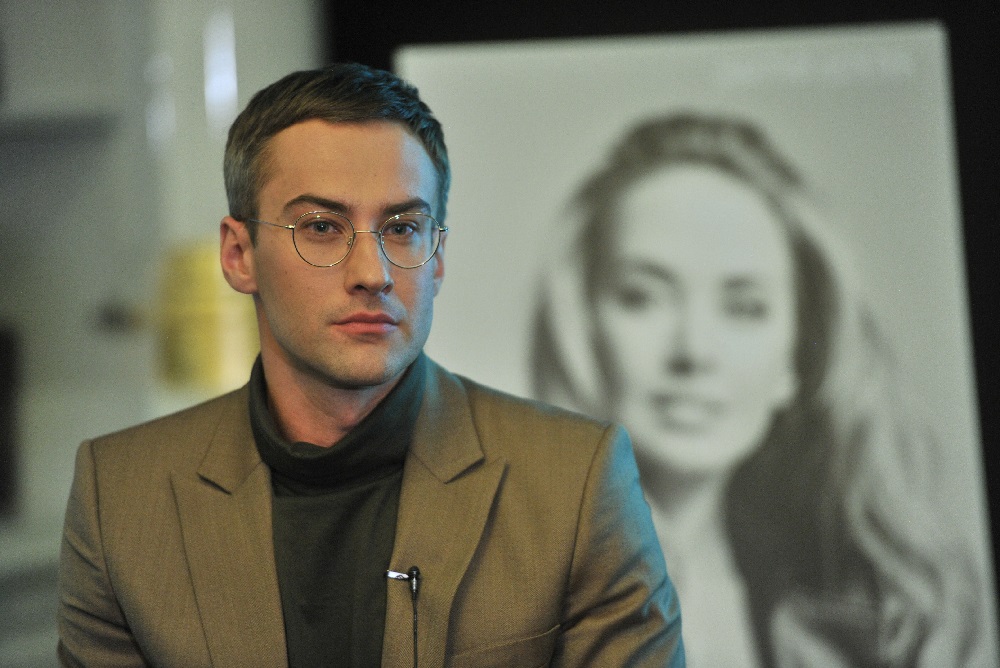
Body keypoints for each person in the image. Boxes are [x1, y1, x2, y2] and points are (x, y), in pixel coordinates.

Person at [57, 64, 684, 667]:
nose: (372, 273)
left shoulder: (575, 482)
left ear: (438, 257)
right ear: (239, 254)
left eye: (403, 228)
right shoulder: (121, 498)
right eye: (322, 227)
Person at [532, 113, 991, 666]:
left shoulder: (859, 624)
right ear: (582, 330)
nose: (694, 351)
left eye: (745, 308)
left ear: (797, 359)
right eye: (641, 297)